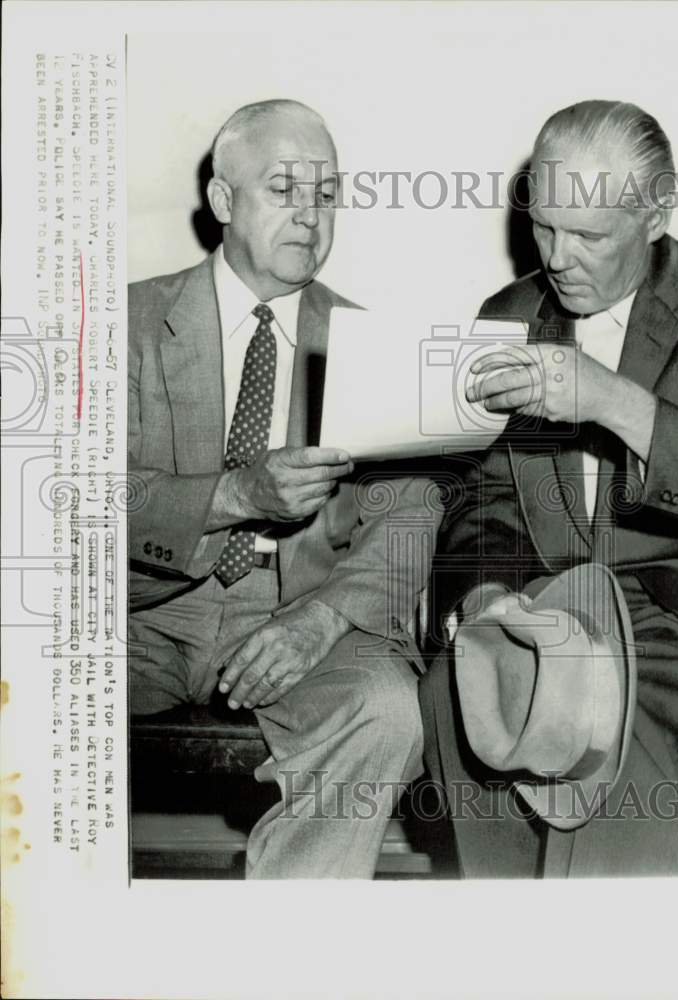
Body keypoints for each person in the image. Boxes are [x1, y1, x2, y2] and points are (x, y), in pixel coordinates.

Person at [421, 100, 678, 877]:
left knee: (609, 746)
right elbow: (483, 500)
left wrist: (610, 400)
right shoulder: (506, 315)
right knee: (454, 699)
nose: (557, 257)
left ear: (657, 212)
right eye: (543, 225)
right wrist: (484, 595)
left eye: (590, 235)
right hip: (557, 614)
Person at [128, 100, 439, 878]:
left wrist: (323, 617)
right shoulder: (123, 322)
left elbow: (410, 514)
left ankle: (288, 951)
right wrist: (235, 495)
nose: (310, 215)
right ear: (224, 201)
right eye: (284, 188)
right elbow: (67, 499)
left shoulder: (370, 342)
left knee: (386, 711)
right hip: (138, 609)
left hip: (296, 612)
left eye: (326, 192)